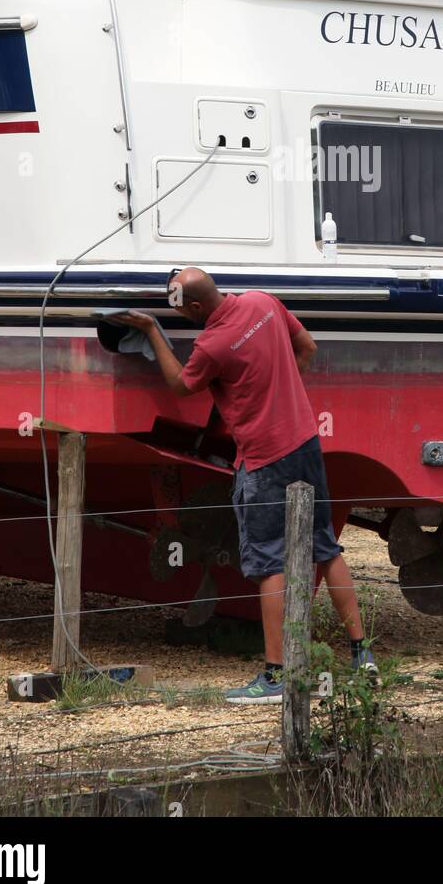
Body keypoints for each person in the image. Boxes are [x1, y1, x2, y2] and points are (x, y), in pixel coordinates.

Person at [115, 268, 377, 704]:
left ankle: (276, 676)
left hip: (263, 460)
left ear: (197, 306)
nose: (182, 318)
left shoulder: (212, 344)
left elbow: (181, 386)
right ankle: (361, 654)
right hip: (305, 442)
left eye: (180, 311)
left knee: (269, 563)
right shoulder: (262, 301)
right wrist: (276, 391)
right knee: (325, 548)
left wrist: (151, 330)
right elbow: (307, 349)